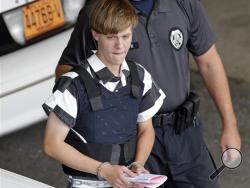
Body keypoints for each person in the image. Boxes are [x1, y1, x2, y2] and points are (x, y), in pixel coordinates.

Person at [55, 0, 241, 187]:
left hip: (185, 133)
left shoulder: (184, 3)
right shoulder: (101, 11)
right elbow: (66, 70)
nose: (119, 44)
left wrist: (230, 125)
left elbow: (209, 63)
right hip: (135, 139)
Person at [42, 0, 166, 187]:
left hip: (126, 182)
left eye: (126, 36)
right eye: (111, 37)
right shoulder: (74, 84)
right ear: (96, 35)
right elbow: (52, 144)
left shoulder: (140, 76)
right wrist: (104, 170)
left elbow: (146, 129)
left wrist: (137, 165)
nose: (120, 46)